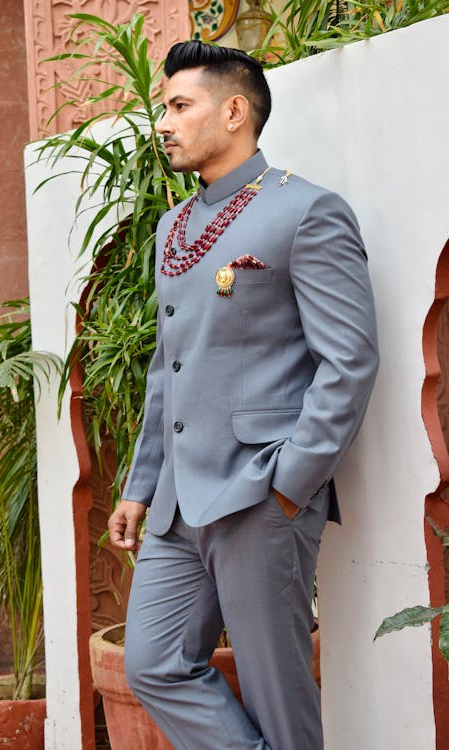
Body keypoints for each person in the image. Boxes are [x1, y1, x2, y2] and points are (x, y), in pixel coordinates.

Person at [108, 40, 379, 750]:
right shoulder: (175, 227)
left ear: (234, 111)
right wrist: (141, 486)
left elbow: (348, 361)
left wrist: (289, 484)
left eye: (178, 105)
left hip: (259, 492)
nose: (162, 122)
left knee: (277, 694)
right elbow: (169, 367)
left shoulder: (306, 212)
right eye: (161, 108)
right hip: (175, 503)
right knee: (154, 664)